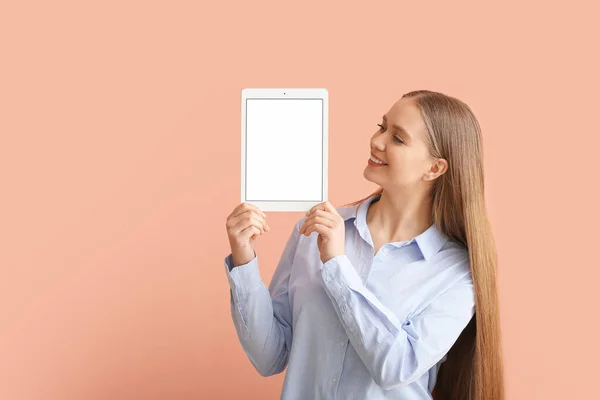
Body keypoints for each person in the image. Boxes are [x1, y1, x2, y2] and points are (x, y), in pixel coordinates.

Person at [224, 90, 504, 400]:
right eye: (382, 126)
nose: (377, 141)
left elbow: (396, 367)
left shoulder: (455, 273)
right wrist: (244, 259)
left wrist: (336, 266)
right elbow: (269, 356)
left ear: (434, 168)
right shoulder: (314, 230)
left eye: (398, 138)